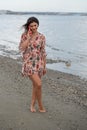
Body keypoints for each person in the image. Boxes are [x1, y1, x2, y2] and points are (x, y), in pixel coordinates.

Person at [19, 17, 47, 112]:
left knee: (36, 85)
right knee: (39, 84)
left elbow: (43, 52)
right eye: (32, 26)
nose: (34, 27)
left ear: (38, 25)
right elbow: (22, 48)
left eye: (35, 25)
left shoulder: (42, 37)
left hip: (39, 64)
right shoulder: (24, 35)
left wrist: (44, 66)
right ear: (29, 27)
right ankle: (40, 106)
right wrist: (29, 37)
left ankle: (32, 105)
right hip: (28, 63)